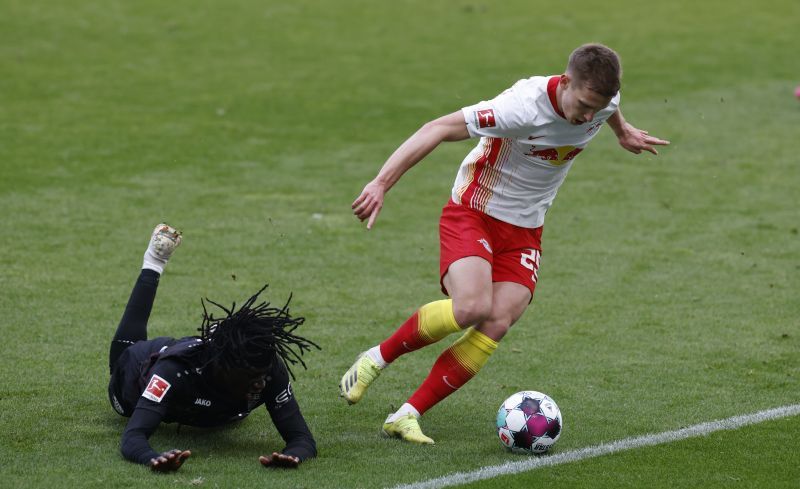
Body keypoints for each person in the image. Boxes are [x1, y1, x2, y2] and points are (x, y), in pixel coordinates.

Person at [339, 44, 669, 444]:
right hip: (475, 211)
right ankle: (376, 359)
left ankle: (407, 415)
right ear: (565, 83)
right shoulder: (521, 108)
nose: (586, 116)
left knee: (497, 320)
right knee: (472, 307)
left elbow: (607, 106)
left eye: (594, 109)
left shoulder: (602, 99)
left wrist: (622, 130)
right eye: (582, 105)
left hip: (526, 229)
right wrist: (381, 183)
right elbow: (437, 129)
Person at [108, 224, 319, 470]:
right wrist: (153, 458)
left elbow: (302, 439)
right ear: (225, 368)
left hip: (211, 391)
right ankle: (154, 261)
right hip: (136, 372)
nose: (261, 383)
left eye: (262, 374)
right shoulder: (173, 373)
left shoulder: (265, 367)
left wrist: (293, 456)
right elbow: (133, 438)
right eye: (251, 377)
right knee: (122, 372)